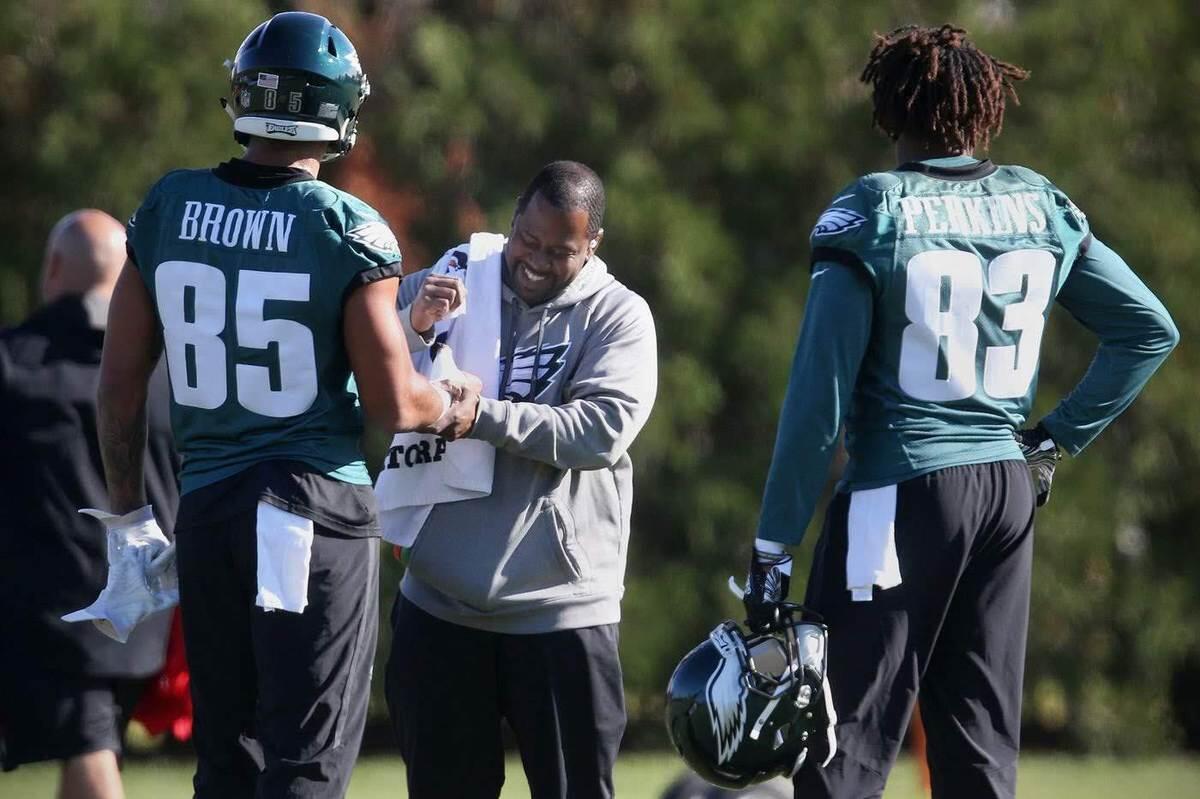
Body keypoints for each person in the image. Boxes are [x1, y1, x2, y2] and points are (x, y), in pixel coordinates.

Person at [740, 24, 1179, 799]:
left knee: (841, 756)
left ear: (891, 110)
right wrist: (1053, 439)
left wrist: (773, 547)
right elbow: (1148, 330)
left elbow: (817, 406)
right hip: (1006, 490)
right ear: (988, 110)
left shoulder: (872, 209)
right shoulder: (1037, 201)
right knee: (978, 754)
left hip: (897, 494)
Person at [95, 12, 466, 799]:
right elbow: (395, 399)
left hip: (209, 508)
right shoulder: (344, 224)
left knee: (227, 759)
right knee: (306, 760)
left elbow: (121, 383)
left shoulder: (170, 205)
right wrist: (454, 404)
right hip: (311, 507)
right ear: (339, 111)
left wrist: (128, 518)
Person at [385, 161, 658, 799]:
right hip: (439, 603)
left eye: (559, 251)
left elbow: (600, 430)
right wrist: (415, 324)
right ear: (511, 224)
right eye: (526, 241)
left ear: (592, 246)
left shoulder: (619, 316)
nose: (533, 261)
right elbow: (367, 363)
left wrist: (480, 416)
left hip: (559, 609)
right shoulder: (460, 274)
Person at [0, 210, 178, 799]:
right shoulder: (172, 374)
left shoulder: (15, 365)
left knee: (90, 750)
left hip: (54, 615)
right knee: (94, 746)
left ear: (53, 269)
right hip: (152, 613)